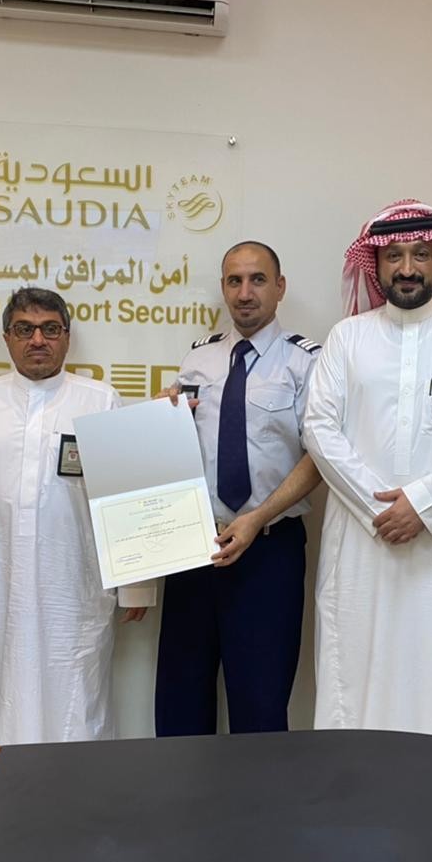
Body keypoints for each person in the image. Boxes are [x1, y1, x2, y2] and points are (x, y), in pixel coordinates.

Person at [302, 199, 432, 744]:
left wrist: (423, 504)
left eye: (421, 254)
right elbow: (319, 428)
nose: (407, 268)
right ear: (375, 265)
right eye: (393, 256)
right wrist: (380, 507)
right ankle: (356, 785)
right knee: (356, 667)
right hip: (362, 540)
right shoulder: (347, 338)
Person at [0, 287, 153, 746]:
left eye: (50, 329)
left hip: (76, 591)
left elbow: (126, 497)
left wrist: (135, 582)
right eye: (25, 329)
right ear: (7, 338)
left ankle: (77, 791)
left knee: (77, 700)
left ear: (67, 337)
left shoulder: (100, 401)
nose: (38, 340)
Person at [155, 241, 321, 736]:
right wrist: (162, 420)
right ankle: (186, 790)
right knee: (181, 700)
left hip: (269, 550)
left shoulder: (306, 362)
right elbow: (179, 448)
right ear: (223, 287)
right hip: (195, 548)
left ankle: (260, 793)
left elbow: (319, 457)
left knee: (261, 704)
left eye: (257, 280)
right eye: (234, 281)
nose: (245, 293)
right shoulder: (198, 359)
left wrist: (256, 519)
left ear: (280, 287)